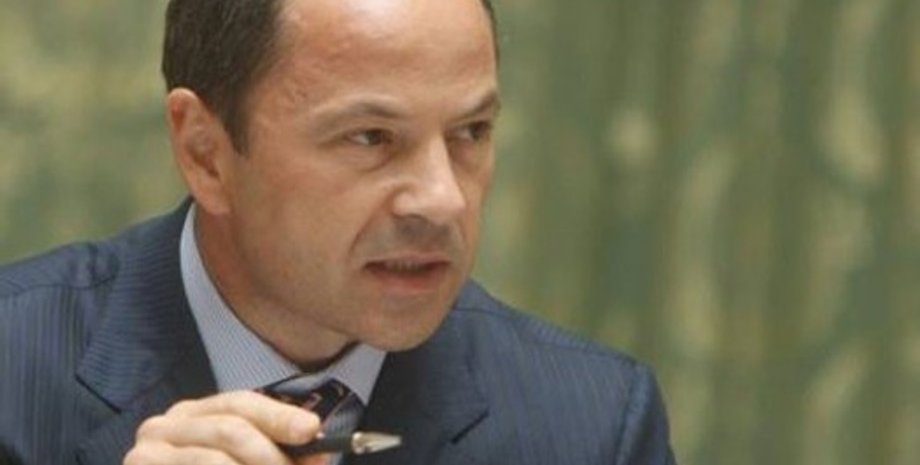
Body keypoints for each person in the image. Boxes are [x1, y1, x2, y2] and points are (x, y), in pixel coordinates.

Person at [0, 0, 677, 464]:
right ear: (206, 153)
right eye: (371, 137)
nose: (442, 200)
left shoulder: (593, 426)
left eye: (470, 132)